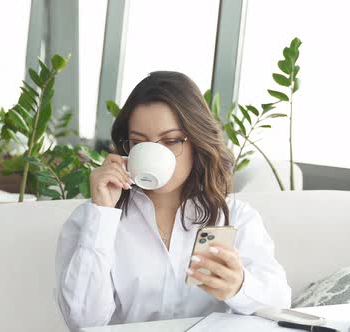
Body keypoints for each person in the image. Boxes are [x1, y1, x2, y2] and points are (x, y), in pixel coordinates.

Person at [55, 71, 291, 330]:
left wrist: (240, 287)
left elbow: (279, 303)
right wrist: (102, 215)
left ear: (196, 143)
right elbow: (83, 322)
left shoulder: (235, 216)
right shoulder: (93, 220)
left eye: (170, 141)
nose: (155, 153)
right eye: (139, 142)